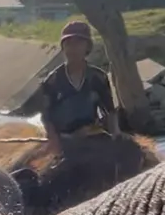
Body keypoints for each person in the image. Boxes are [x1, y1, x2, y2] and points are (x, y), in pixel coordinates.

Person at [40, 20, 119, 156]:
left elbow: (110, 112)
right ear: (63, 48)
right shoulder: (53, 80)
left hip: (92, 136)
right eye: (68, 44)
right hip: (65, 140)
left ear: (87, 47)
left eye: (78, 43)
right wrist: (53, 140)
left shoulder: (98, 77)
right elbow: (46, 117)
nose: (73, 48)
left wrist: (116, 136)